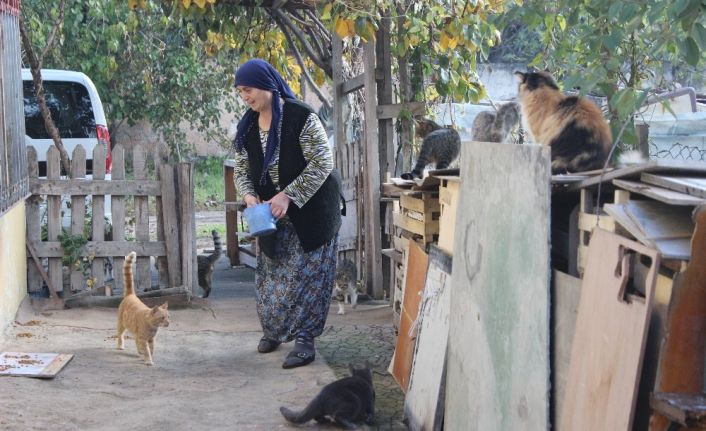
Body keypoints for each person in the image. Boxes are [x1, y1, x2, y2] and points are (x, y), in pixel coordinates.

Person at [232, 58, 342, 369]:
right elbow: (241, 169)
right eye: (240, 93)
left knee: (308, 277)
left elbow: (322, 162)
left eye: (248, 90)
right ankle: (276, 330)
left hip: (313, 211)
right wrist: (249, 194)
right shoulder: (248, 125)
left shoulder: (300, 117)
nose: (245, 97)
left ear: (266, 84)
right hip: (272, 214)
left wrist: (289, 195)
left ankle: (305, 339)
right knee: (272, 275)